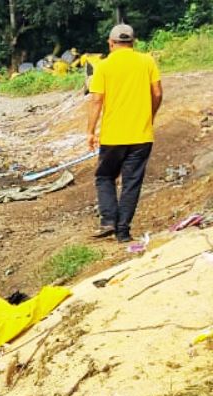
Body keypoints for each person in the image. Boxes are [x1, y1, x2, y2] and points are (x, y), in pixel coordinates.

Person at [86, 23, 163, 243]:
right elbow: (157, 93)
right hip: (141, 136)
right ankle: (123, 232)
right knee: (132, 182)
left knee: (104, 177)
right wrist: (150, 116)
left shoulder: (104, 66)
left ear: (111, 44)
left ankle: (109, 220)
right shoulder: (147, 61)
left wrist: (90, 132)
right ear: (133, 42)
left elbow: (96, 100)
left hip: (113, 137)